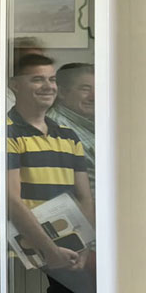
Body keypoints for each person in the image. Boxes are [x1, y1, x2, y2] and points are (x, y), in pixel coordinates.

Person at [0, 54, 95, 293]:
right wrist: (49, 249)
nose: (47, 86)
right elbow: (11, 200)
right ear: (15, 85)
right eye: (37, 79)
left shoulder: (68, 135)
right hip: (16, 246)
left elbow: (84, 196)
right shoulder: (2, 133)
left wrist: (84, 245)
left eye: (51, 79)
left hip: (67, 245)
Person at [47, 63, 95, 196]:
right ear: (62, 92)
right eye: (85, 89)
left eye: (98, 88)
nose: (94, 97)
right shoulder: (57, 130)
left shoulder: (91, 123)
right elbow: (91, 193)